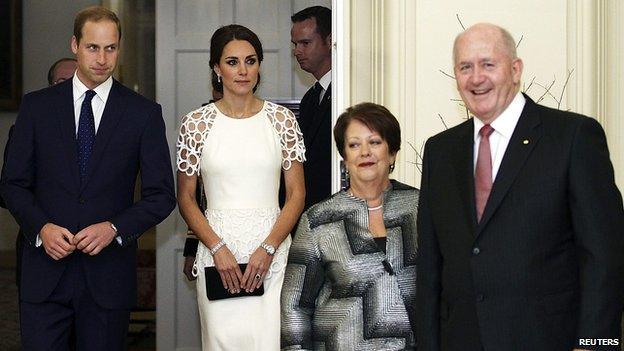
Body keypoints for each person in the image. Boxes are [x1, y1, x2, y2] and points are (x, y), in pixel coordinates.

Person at [416, 22, 624, 351]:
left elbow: (604, 255)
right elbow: (430, 266)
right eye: (465, 67)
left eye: (488, 64)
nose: (476, 78)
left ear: (515, 70)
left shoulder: (572, 138)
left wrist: (595, 344)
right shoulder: (440, 151)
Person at [0, 6, 176, 350]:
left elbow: (162, 195)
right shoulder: (37, 107)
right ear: (75, 45)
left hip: (107, 278)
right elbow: (12, 183)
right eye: (93, 47)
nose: (102, 58)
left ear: (119, 48)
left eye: (110, 48)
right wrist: (41, 228)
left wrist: (114, 227)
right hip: (44, 275)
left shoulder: (142, 113)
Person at [176, 24, 306, 350]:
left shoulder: (282, 121)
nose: (243, 70)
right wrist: (217, 249)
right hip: (218, 252)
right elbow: (186, 198)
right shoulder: (196, 124)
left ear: (259, 65)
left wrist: (269, 248)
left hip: (273, 254)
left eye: (250, 60)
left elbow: (297, 194)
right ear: (217, 68)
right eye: (232, 62)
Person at [281, 102, 418, 350]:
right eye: (354, 145)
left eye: (374, 142)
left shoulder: (421, 209)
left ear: (392, 152)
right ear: (345, 158)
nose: (364, 152)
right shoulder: (318, 220)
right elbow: (294, 307)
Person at [1, 57, 79, 289]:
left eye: (75, 81)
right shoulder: (26, 128)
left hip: (97, 253)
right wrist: (42, 225)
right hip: (40, 248)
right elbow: (9, 188)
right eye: (61, 82)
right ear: (49, 88)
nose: (68, 88)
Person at [291, 6, 332, 209]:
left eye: (305, 43)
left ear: (330, 41)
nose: (297, 51)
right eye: (295, 44)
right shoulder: (310, 97)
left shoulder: (346, 92)